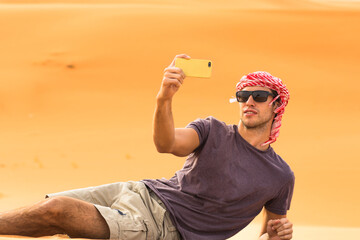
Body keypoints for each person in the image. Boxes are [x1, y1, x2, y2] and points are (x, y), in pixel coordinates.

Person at [0, 54, 294, 240]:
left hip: (164, 227)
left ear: (277, 103)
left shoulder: (279, 177)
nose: (249, 102)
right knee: (42, 211)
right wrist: (164, 98)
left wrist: (281, 234)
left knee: (58, 210)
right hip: (141, 191)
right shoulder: (212, 130)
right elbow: (166, 144)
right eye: (242, 96)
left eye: (258, 95)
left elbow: (271, 232)